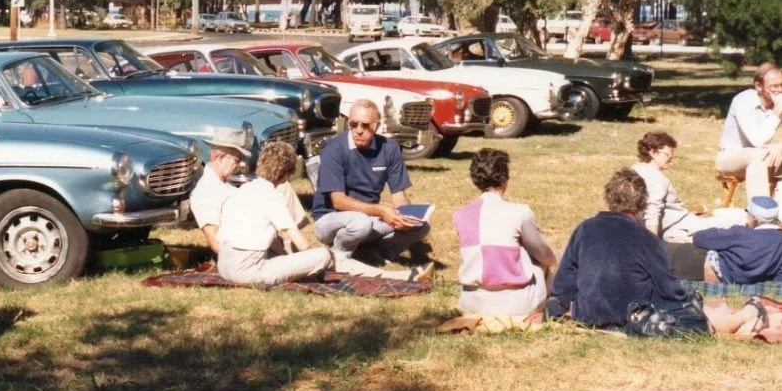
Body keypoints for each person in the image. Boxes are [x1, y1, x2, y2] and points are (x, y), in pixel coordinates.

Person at [550, 169, 694, 327]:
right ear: (642, 201)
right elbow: (669, 288)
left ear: (609, 197)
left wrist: (570, 307)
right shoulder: (645, 238)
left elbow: (562, 284)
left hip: (587, 314)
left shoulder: (585, 229)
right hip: (631, 316)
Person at [311, 98, 432, 277]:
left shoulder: (389, 148)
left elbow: (399, 195)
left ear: (377, 126)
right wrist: (382, 211)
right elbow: (338, 201)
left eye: (365, 125)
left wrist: (405, 215)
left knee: (421, 225)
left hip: (369, 218)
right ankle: (338, 257)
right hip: (330, 219)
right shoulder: (334, 149)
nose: (359, 130)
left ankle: (378, 253)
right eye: (353, 124)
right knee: (360, 223)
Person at [452, 148, 559, 318]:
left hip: (471, 302)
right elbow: (546, 257)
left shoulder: (460, 214)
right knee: (536, 256)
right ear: (504, 179)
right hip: (517, 305)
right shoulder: (520, 212)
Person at [216, 141, 333, 285]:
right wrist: (310, 259)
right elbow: (299, 241)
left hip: (223, 266)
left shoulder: (243, 190)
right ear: (285, 174)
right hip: (247, 272)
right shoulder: (272, 196)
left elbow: (272, 241)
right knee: (323, 255)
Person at [631, 131, 739, 241]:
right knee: (737, 219)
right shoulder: (657, 178)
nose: (671, 157)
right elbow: (652, 212)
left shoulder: (633, 170)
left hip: (670, 226)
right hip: (683, 226)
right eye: (667, 154)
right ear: (653, 153)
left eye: (672, 154)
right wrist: (652, 245)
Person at [716, 63, 782, 201]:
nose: (779, 91)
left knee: (766, 156)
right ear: (758, 86)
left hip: (763, 158)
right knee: (757, 156)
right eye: (774, 87)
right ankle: (761, 214)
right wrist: (777, 112)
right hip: (730, 157)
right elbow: (758, 141)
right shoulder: (744, 101)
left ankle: (780, 215)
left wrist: (780, 145)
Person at [693, 195, 782, 284]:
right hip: (748, 280)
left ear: (754, 218)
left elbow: (699, 238)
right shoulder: (780, 241)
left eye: (747, 213)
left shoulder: (742, 234)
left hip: (718, 273)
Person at [189, 127, 248, 252]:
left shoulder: (224, 184)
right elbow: (215, 241)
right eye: (237, 160)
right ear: (220, 158)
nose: (240, 165)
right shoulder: (206, 191)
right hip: (242, 257)